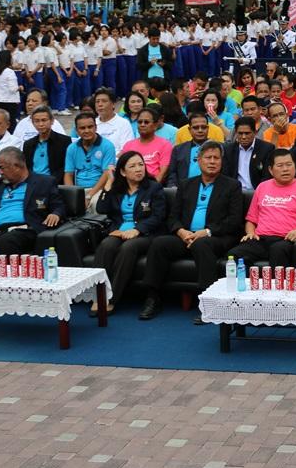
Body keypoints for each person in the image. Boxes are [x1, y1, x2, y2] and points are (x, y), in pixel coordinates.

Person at [139, 142, 244, 321]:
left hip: (216, 237)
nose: (212, 161)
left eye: (216, 158)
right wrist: (181, 231)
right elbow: (173, 217)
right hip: (187, 236)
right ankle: (152, 297)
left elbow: (234, 221)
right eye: (208, 158)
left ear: (222, 161)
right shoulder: (186, 184)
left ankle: (209, 303)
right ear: (199, 160)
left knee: (202, 245)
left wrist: (206, 232)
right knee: (160, 243)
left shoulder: (232, 186)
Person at [226, 149, 296, 270]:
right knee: (234, 255)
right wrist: (250, 233)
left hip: (286, 239)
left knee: (277, 251)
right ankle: (252, 281)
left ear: (295, 166)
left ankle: (277, 283)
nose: (285, 169)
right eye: (280, 166)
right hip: (260, 239)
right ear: (271, 170)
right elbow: (251, 220)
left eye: (289, 165)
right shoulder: (262, 187)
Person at [93, 151, 167, 315]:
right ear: (123, 172)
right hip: (120, 231)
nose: (138, 169)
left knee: (128, 248)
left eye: (141, 164)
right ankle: (98, 295)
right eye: (132, 166)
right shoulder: (117, 189)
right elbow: (101, 209)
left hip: (146, 234)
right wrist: (108, 185)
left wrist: (137, 230)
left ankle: (112, 298)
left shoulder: (154, 188)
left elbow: (158, 216)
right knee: (106, 245)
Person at [63, 112, 117, 208]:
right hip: (78, 190)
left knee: (96, 204)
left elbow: (106, 174)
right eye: (82, 128)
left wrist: (89, 196)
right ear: (76, 131)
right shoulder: (72, 148)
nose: (87, 130)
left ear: (96, 127)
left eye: (90, 127)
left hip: (99, 190)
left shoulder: (107, 146)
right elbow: (68, 174)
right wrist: (71, 195)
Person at [121, 108, 174, 182]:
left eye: (146, 122)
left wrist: (152, 187)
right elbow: (122, 169)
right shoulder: (128, 145)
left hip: (153, 184)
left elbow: (162, 173)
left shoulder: (165, 145)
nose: (142, 125)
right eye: (140, 122)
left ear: (155, 125)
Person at [222, 116, 275, 190]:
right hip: (235, 192)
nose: (243, 137)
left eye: (247, 133)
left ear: (255, 132)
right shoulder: (228, 150)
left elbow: (267, 177)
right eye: (240, 133)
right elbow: (226, 176)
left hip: (258, 191)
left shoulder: (266, 149)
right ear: (236, 133)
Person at [22, 105, 72, 180]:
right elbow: (27, 167)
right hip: (32, 182)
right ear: (33, 123)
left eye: (44, 120)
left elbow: (65, 167)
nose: (41, 124)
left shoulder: (64, 141)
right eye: (37, 121)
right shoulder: (28, 144)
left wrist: (50, 181)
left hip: (54, 182)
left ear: (52, 121)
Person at [167, 113, 211, 187]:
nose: (200, 130)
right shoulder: (178, 149)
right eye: (196, 128)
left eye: (203, 127)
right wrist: (173, 187)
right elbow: (172, 173)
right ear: (189, 130)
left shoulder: (219, 148)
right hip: (184, 190)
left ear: (208, 128)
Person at [92, 87, 134, 153]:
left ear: (113, 104)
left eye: (104, 101)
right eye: (97, 102)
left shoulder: (123, 123)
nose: (100, 104)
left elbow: (126, 149)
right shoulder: (92, 123)